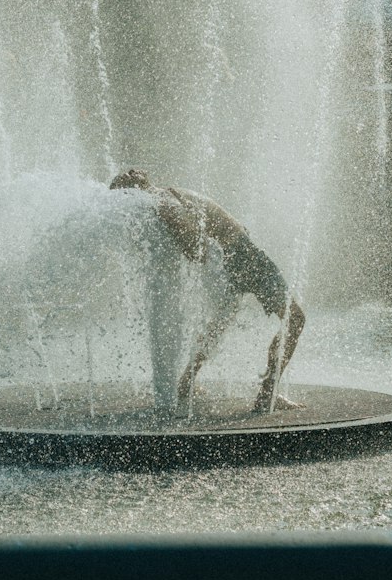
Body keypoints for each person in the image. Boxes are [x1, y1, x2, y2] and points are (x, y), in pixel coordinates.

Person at [108, 169, 305, 414]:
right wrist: (211, 245)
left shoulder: (164, 195)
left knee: (218, 324)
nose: (131, 169)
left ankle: (186, 383)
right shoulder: (162, 199)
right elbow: (193, 244)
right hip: (243, 256)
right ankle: (267, 395)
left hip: (231, 258)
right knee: (295, 318)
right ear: (134, 188)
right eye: (128, 174)